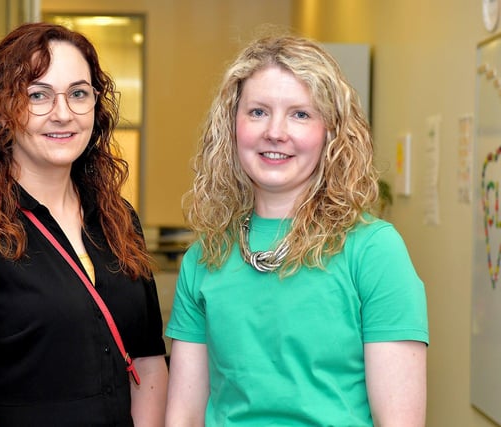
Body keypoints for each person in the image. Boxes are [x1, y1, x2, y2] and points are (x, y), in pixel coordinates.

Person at [0, 22, 168, 426]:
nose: (62, 114)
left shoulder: (117, 220)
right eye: (37, 95)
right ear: (2, 109)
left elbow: (148, 363)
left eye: (78, 94)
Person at [165, 34, 428, 426]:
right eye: (257, 112)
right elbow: (183, 416)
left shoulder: (373, 251)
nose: (275, 131)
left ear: (331, 133)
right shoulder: (204, 257)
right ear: (232, 126)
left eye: (300, 114)